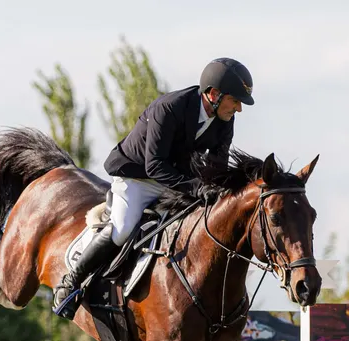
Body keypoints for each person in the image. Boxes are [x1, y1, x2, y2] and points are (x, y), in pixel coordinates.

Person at [52, 57, 255, 319]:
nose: (239, 109)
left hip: (175, 182)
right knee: (123, 229)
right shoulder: (169, 108)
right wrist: (196, 188)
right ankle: (71, 282)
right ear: (214, 94)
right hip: (137, 178)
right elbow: (155, 166)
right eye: (235, 100)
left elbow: (217, 167)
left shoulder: (224, 119)